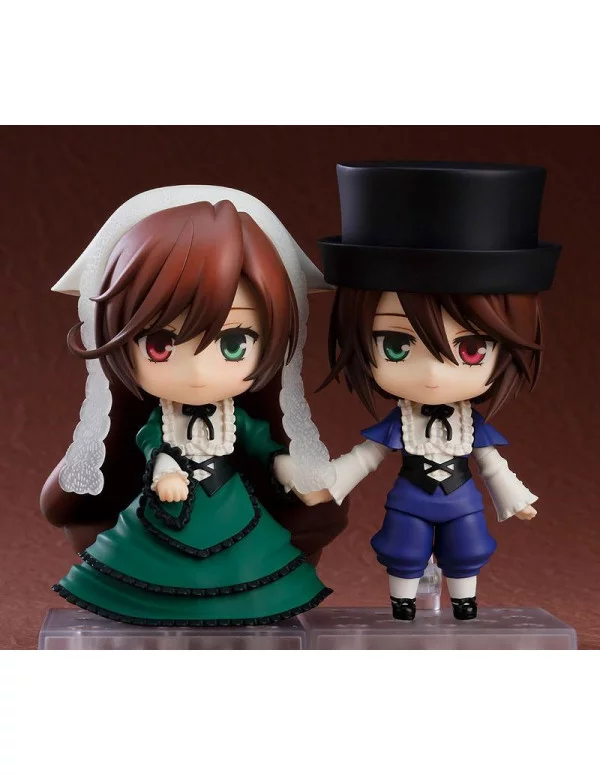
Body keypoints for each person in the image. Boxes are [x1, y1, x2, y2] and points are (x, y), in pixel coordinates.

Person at [42, 185, 345, 626]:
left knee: (250, 563)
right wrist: (165, 470)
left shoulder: (238, 419)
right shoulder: (159, 421)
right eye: (161, 344)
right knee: (148, 565)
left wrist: (292, 471)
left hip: (231, 505)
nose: (199, 371)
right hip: (167, 506)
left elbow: (264, 446)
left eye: (234, 343)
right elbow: (152, 443)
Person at [318, 161, 561, 621]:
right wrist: (332, 482)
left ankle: (465, 600)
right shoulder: (402, 422)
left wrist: (514, 496)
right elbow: (366, 457)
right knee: (403, 547)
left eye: (470, 349)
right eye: (396, 345)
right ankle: (403, 602)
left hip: (462, 501)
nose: (432, 374)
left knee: (467, 548)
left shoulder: (471, 425)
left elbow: (491, 464)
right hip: (409, 501)